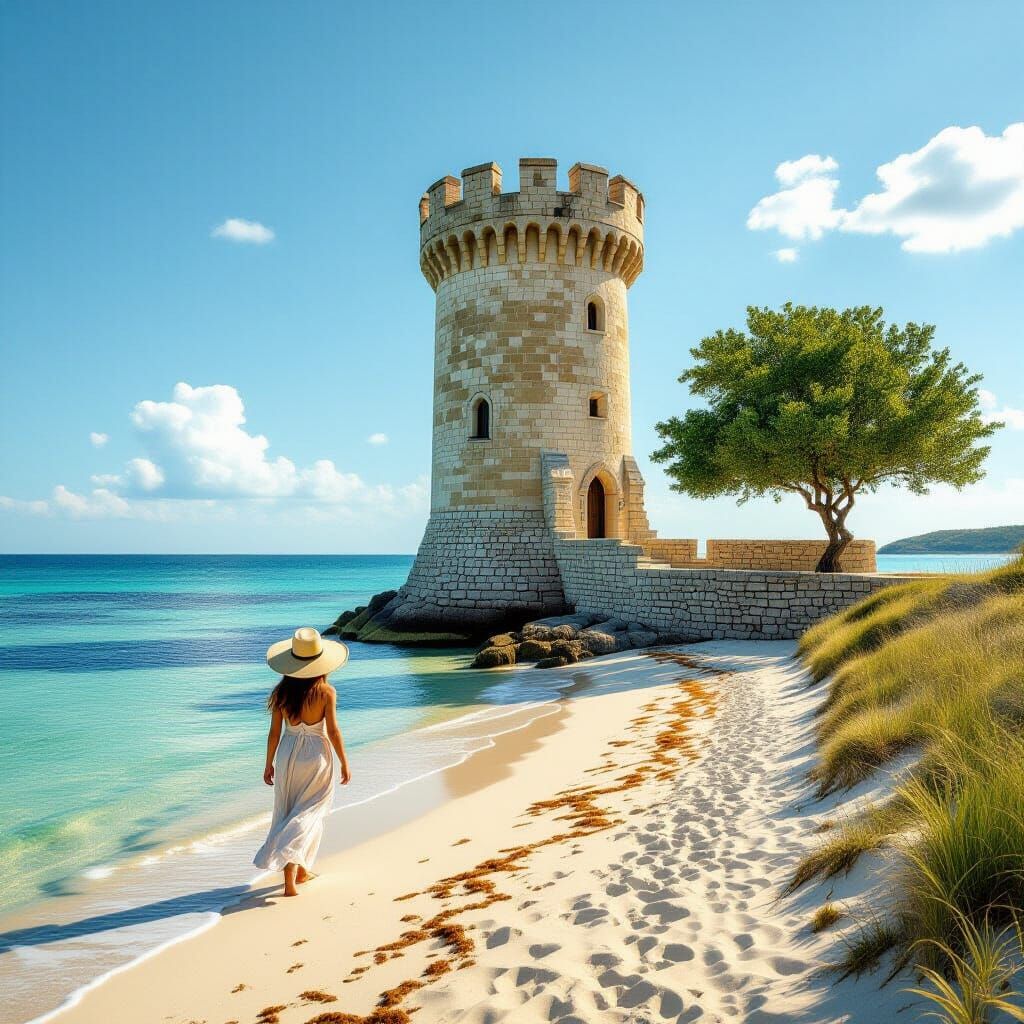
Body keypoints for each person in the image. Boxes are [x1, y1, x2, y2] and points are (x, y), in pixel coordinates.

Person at [254, 627, 351, 897]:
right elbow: (333, 731)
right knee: (309, 814)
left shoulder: (280, 693)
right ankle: (291, 878)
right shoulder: (326, 692)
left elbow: (274, 733)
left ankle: (301, 872)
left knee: (289, 810)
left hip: (287, 755)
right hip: (316, 756)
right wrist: (344, 762)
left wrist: (268, 763)